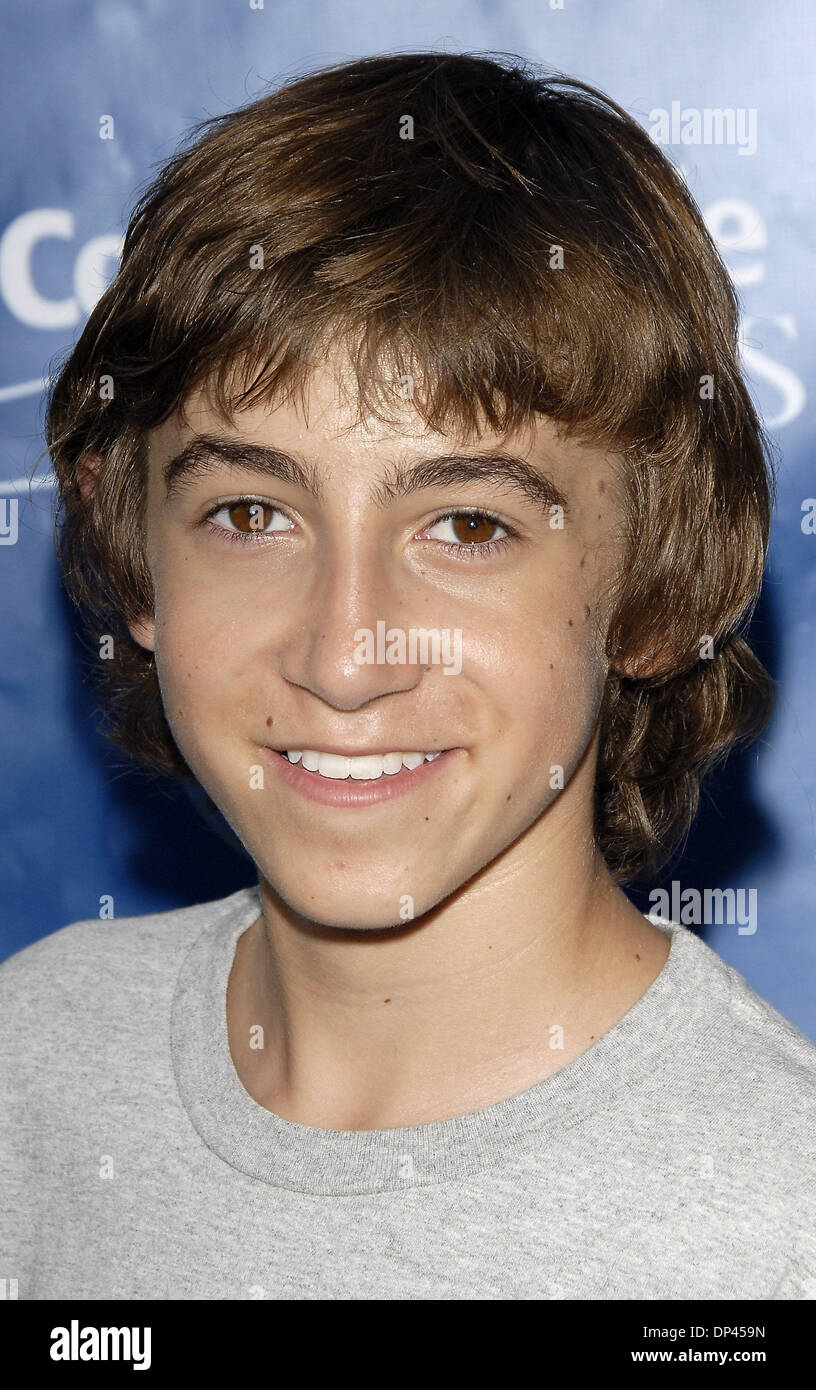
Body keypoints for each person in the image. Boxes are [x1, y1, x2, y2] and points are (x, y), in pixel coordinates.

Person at [1, 50, 814, 1301]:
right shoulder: (32, 1066)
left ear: (657, 591)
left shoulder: (776, 1225)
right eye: (251, 514)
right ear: (136, 561)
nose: (342, 655)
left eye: (470, 528)